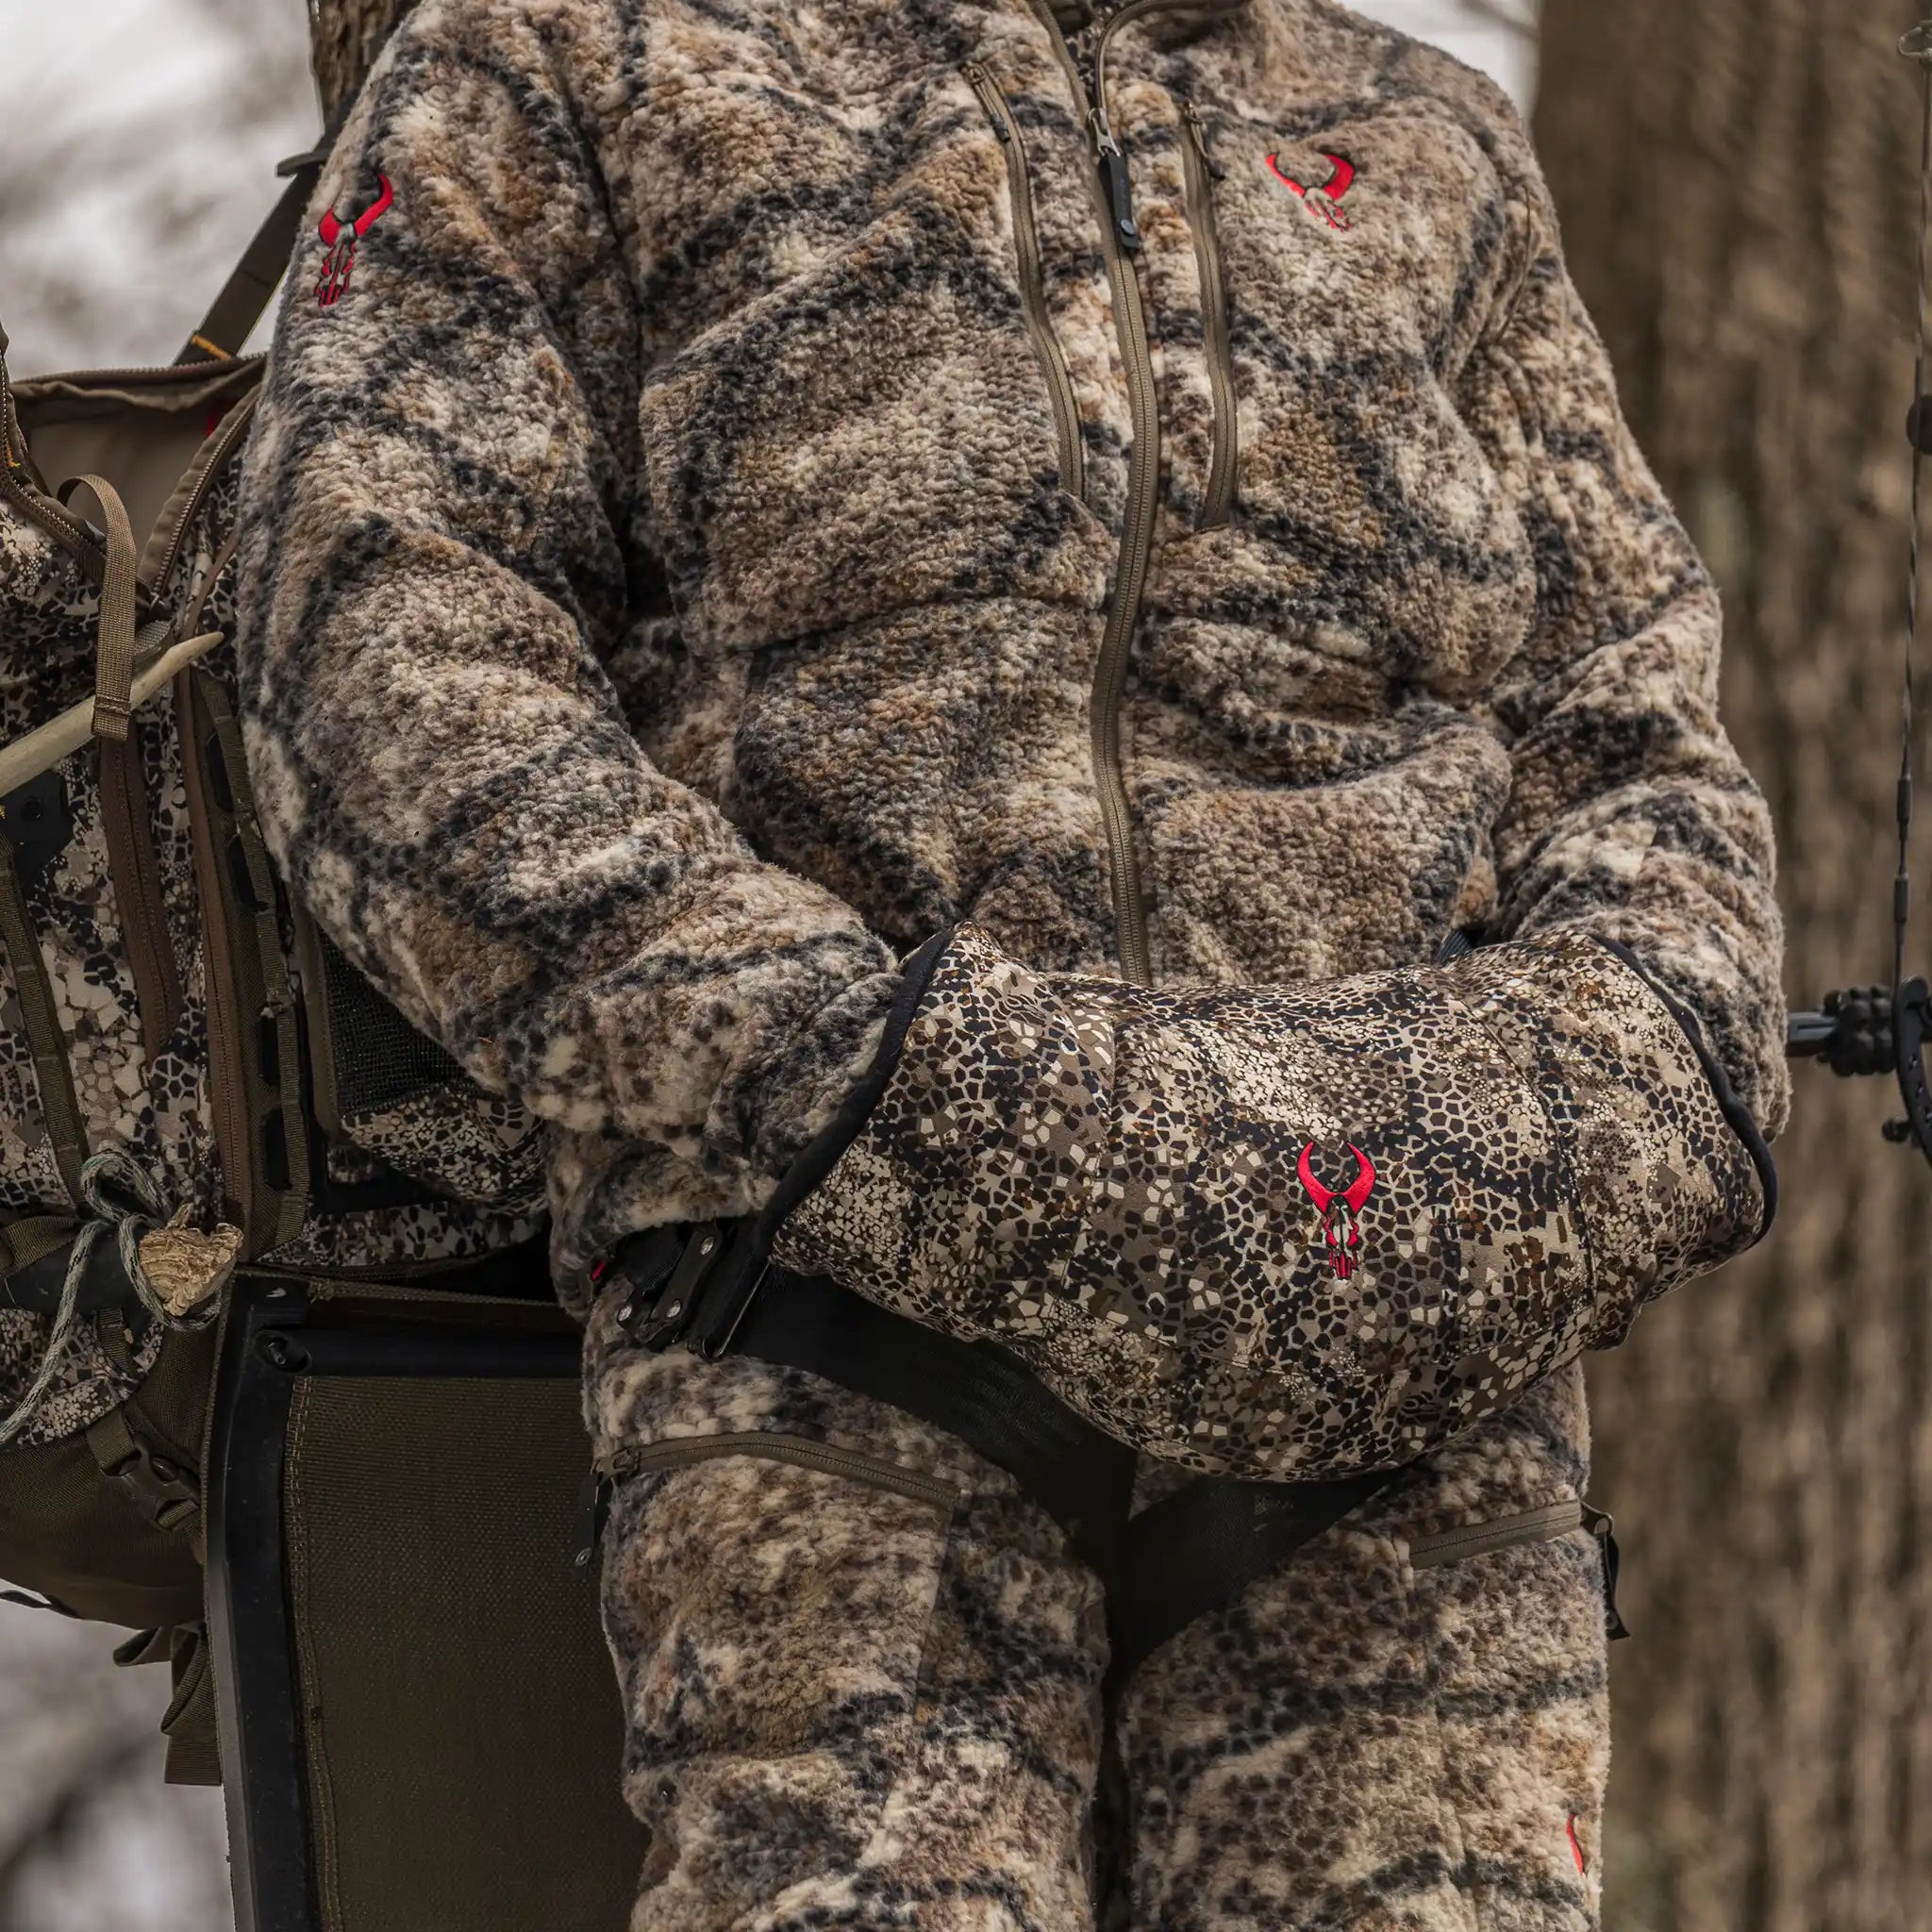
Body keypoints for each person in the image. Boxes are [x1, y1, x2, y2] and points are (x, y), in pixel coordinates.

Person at [231, 0, 1789, 1924]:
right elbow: (378, 651)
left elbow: (1641, 761)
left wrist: (1519, 1146)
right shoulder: (568, 59)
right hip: (833, 1332)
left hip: (1411, 1392)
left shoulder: (1427, 131)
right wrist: (877, 1088)